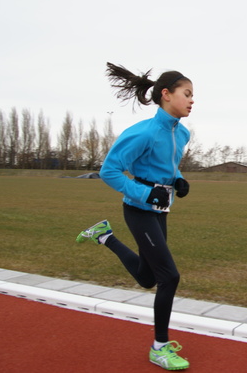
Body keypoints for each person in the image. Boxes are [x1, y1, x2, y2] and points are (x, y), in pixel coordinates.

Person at [76, 62, 194, 371]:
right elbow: (109, 171)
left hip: (159, 211)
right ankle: (160, 347)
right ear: (166, 95)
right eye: (187, 94)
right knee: (169, 277)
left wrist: (178, 179)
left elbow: (167, 165)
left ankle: (105, 236)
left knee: (146, 277)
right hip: (138, 210)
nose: (192, 100)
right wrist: (145, 194)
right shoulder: (142, 132)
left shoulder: (182, 133)